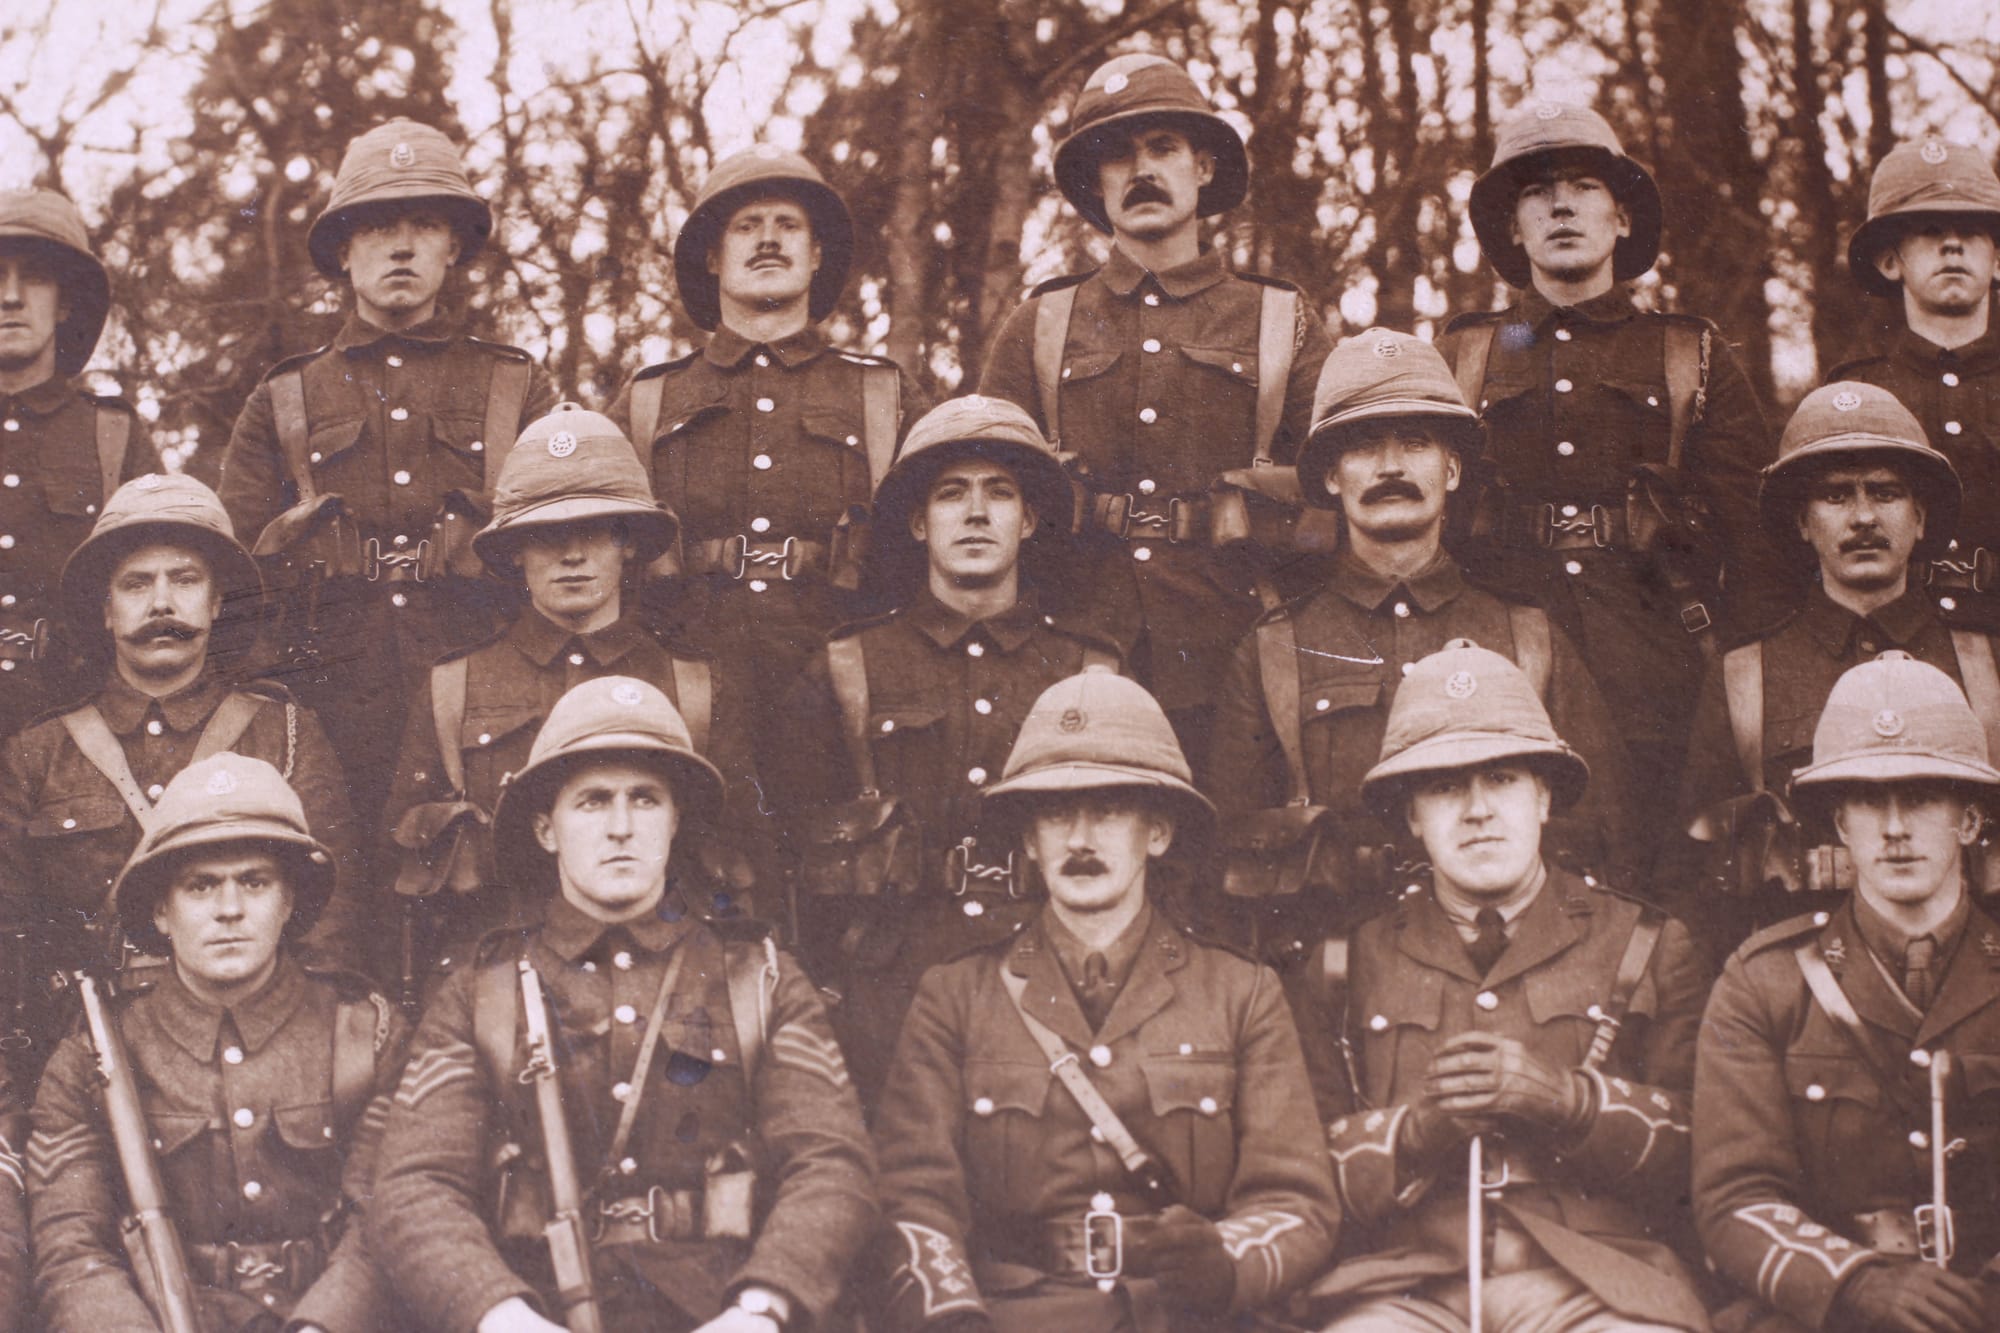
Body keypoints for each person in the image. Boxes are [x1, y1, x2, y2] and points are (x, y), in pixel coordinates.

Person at [368, 676, 876, 1332]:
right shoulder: (483, 987)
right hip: (539, 1306)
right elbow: (415, 1187)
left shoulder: (759, 975)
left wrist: (763, 1304)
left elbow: (833, 1161)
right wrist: (498, 1311)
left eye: (645, 799)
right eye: (592, 802)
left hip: (725, 1305)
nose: (620, 827)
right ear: (547, 829)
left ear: (676, 821)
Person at [874, 668, 1338, 1332]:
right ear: (1030, 841)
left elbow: (1297, 1200)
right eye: (1057, 813)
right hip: (1015, 1314)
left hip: (1189, 1316)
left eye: (1110, 808)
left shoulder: (1241, 992)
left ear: (1158, 832)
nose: (1081, 837)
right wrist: (952, 1318)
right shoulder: (956, 996)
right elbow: (912, 1201)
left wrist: (1225, 1264)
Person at [1307, 642, 1712, 1331]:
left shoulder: (1645, 941)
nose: (1476, 810)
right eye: (1443, 786)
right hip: (1407, 1287)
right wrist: (1415, 1132)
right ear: (1410, 815)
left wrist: (1570, 1102)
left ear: (1544, 795)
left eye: (1501, 779)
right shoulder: (1346, 957)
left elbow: (1706, 1153)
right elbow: (1298, 1169)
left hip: (1597, 1283)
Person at [1207, 329, 1633, 966]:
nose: (1391, 467)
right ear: (1329, 475)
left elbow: (1606, 840)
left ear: (1453, 469)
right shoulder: (1277, 649)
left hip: (1511, 964)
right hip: (1332, 970)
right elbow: (1231, 853)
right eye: (1363, 446)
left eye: (1416, 443)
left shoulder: (1528, 636)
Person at [977, 54, 1333, 766]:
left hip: (1235, 636)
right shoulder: (1040, 323)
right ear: (1095, 184)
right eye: (1117, 155)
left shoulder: (1279, 320)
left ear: (1203, 168)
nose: (1141, 170)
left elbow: (1335, 484)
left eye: (1163, 148)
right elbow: (981, 481)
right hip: (1069, 636)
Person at [1437, 100, 1778, 823]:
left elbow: (1756, 535)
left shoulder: (1690, 352)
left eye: (1586, 187)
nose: (1561, 204)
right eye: (1535, 192)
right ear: (1512, 226)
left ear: (1622, 219)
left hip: (1657, 661)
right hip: (1502, 654)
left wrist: (1733, 677)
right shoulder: (1463, 355)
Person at [774, 394, 1118, 1106]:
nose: (975, 513)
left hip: (1055, 976)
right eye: (951, 494)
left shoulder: (1091, 670)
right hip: (889, 994)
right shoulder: (847, 669)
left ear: (1028, 520)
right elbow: (789, 853)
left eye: (1000, 493)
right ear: (917, 521)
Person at [218, 119, 556, 825]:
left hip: (486, 676)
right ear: (343, 250)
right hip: (329, 691)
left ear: (454, 245)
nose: (400, 246)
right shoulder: (286, 397)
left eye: (425, 223)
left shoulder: (515, 387)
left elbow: (565, 540)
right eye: (375, 228)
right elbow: (236, 576)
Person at [382, 403, 763, 1006]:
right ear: (512, 553)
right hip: (494, 986)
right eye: (545, 535)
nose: (572, 555)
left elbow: (738, 866)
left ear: (629, 544)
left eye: (595, 530)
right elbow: (401, 873)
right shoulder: (453, 685)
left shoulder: (694, 685)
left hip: (660, 985)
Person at [27, 752, 410, 1331]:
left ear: (289, 901)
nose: (229, 910)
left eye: (254, 882)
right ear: (160, 910)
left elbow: (389, 1219)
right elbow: (72, 1248)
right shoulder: (99, 1053)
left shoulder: (365, 1031)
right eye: (200, 886)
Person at [0, 473, 363, 1067]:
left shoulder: (285, 732)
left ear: (218, 602)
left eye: (185, 580)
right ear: (107, 611)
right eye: (136, 584)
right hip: (85, 1054)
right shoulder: (38, 753)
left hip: (257, 1049)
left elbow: (332, 926)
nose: (162, 603)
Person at [1694, 652, 2000, 1333]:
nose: (1894, 826)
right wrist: (1855, 1284)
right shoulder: (1765, 981)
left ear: (1970, 821)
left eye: (1921, 795)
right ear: (1839, 824)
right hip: (1826, 1314)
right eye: (1867, 798)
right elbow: (1733, 1197)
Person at [606, 146, 927, 752]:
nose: (768, 241)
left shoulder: (880, 392)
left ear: (816, 256)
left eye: (788, 226)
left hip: (845, 683)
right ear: (712, 256)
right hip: (687, 684)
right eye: (746, 227)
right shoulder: (652, 398)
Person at [1677, 382, 1995, 959]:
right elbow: (1703, 876)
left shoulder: (1985, 665)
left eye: (1887, 493)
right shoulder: (1744, 675)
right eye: (1836, 497)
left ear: (1921, 518)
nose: (1865, 517)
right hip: (1802, 984)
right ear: (1801, 523)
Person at [0, 187, 154, 741]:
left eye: (35, 277)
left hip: (82, 727)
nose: (11, 297)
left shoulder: (112, 434)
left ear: (65, 303)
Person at [1830, 138, 2000, 632]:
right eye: (1928, 231)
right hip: (1892, 638)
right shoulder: (1856, 390)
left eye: (1971, 230)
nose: (1952, 244)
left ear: (1996, 259)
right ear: (1890, 261)